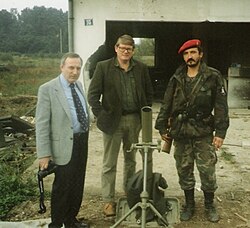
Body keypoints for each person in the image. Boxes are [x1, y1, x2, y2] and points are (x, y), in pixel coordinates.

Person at [155, 39, 229, 223]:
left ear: (200, 54)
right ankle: (189, 204)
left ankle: (210, 204)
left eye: (193, 52)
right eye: (187, 54)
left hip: (203, 132)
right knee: (184, 169)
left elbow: (221, 106)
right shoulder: (176, 77)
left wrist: (220, 133)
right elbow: (167, 103)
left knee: (207, 170)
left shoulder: (213, 76)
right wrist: (162, 126)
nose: (190, 56)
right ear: (183, 57)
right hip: (181, 132)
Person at [87, 34, 153, 216]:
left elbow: (148, 94)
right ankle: (108, 200)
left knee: (130, 159)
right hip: (112, 122)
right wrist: (101, 116)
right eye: (122, 48)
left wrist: (143, 117)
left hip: (134, 120)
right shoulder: (103, 67)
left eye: (129, 49)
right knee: (109, 162)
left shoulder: (141, 68)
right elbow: (92, 95)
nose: (125, 51)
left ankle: (129, 192)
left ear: (133, 51)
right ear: (116, 48)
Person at [36, 52, 90, 228]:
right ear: (62, 67)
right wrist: (44, 154)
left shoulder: (79, 86)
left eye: (78, 68)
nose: (74, 72)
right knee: (63, 186)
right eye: (71, 67)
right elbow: (42, 124)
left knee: (77, 183)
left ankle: (71, 220)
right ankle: (57, 223)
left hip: (81, 141)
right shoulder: (48, 89)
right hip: (63, 145)